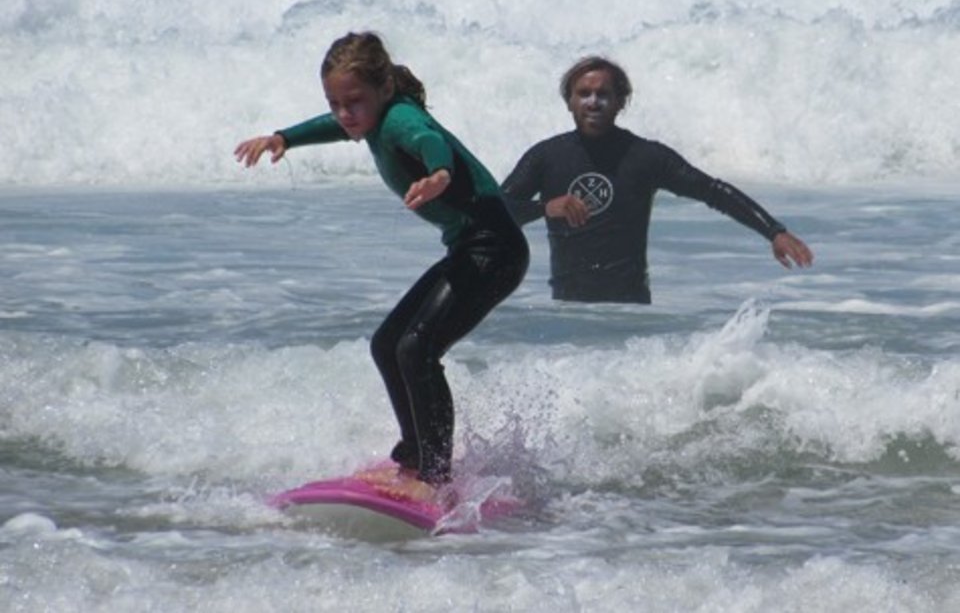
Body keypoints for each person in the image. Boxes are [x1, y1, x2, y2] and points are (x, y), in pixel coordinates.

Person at [234, 32, 529, 486]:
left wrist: (439, 172)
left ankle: (434, 475)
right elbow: (338, 126)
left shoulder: (398, 120)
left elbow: (428, 138)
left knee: (416, 349)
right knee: (387, 345)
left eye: (353, 101)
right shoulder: (371, 119)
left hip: (495, 251)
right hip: (473, 248)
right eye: (335, 102)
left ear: (384, 90)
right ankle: (416, 457)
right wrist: (283, 138)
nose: (344, 114)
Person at [501, 56, 813, 304]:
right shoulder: (546, 156)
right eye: (583, 94)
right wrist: (545, 208)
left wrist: (774, 232)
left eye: (603, 94)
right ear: (568, 101)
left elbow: (712, 191)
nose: (593, 102)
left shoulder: (646, 157)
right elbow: (497, 212)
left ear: (621, 101)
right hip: (570, 313)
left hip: (630, 311)